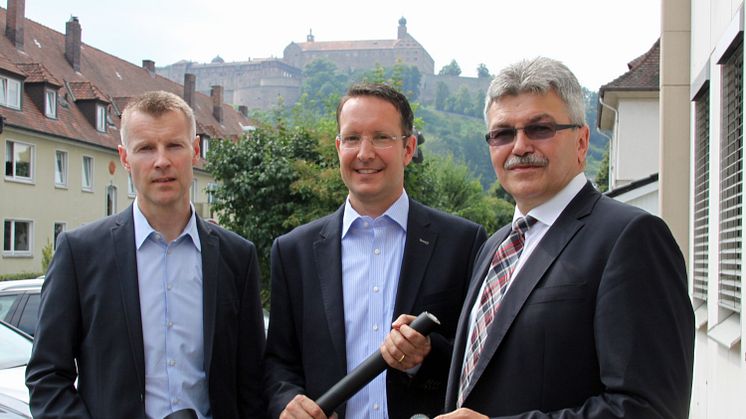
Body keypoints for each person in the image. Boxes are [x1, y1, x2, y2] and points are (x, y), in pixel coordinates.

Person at [436, 57, 695, 419]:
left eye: (540, 129)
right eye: (503, 133)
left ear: (582, 141)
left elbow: (651, 408)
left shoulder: (630, 238)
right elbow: (490, 372)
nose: (520, 146)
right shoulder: (494, 248)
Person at [26, 91, 266, 419]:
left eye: (174, 145)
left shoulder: (237, 257)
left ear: (195, 150)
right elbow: (47, 377)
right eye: (146, 148)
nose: (161, 161)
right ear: (125, 158)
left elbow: (251, 381)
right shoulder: (80, 254)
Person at [263, 83, 488, 419]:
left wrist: (427, 353)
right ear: (339, 147)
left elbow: (480, 358)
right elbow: (278, 363)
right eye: (352, 138)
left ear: (409, 148)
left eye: (381, 137)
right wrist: (287, 401)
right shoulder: (293, 251)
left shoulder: (463, 242)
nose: (364, 153)